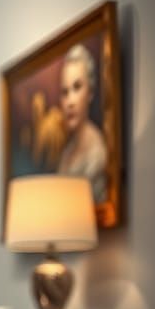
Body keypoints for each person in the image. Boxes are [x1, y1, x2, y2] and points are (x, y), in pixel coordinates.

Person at [56, 43, 107, 202]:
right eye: (65, 92)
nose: (70, 101)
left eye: (77, 87)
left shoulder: (97, 153)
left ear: (90, 92)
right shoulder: (66, 153)